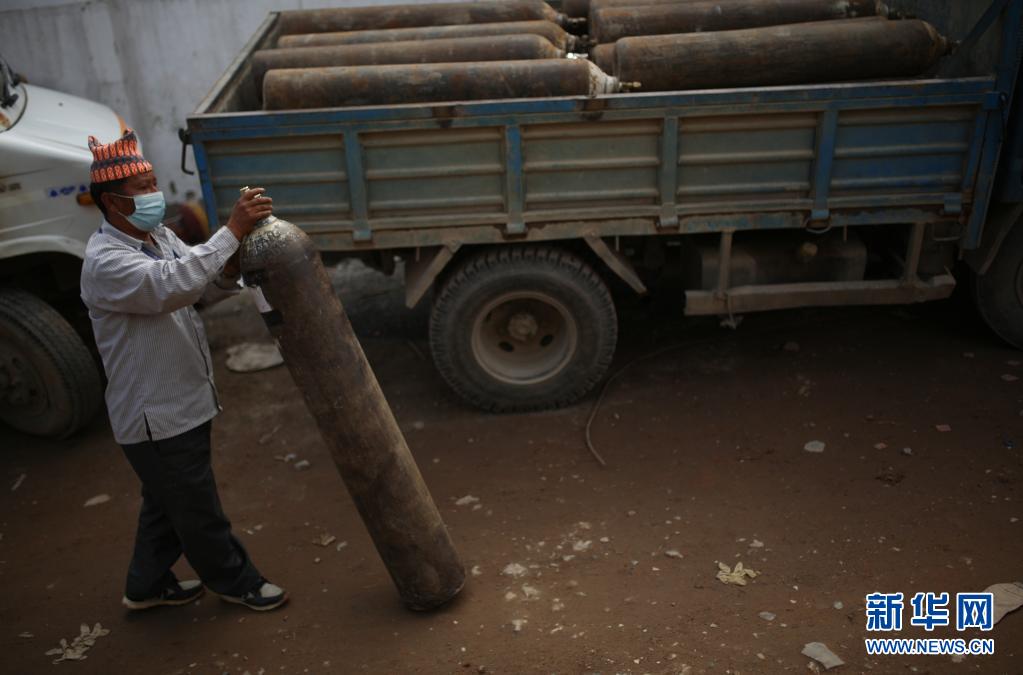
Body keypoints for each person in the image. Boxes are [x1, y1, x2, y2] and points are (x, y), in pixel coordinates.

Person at [79, 129, 287, 612]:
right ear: (112, 202)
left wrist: (228, 268)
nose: (155, 193)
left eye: (154, 182)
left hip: (182, 403)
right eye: (142, 187)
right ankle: (237, 582)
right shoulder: (106, 262)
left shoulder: (159, 236)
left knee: (167, 503)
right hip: (157, 417)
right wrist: (231, 231)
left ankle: (145, 586)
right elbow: (171, 285)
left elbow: (196, 288)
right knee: (195, 508)